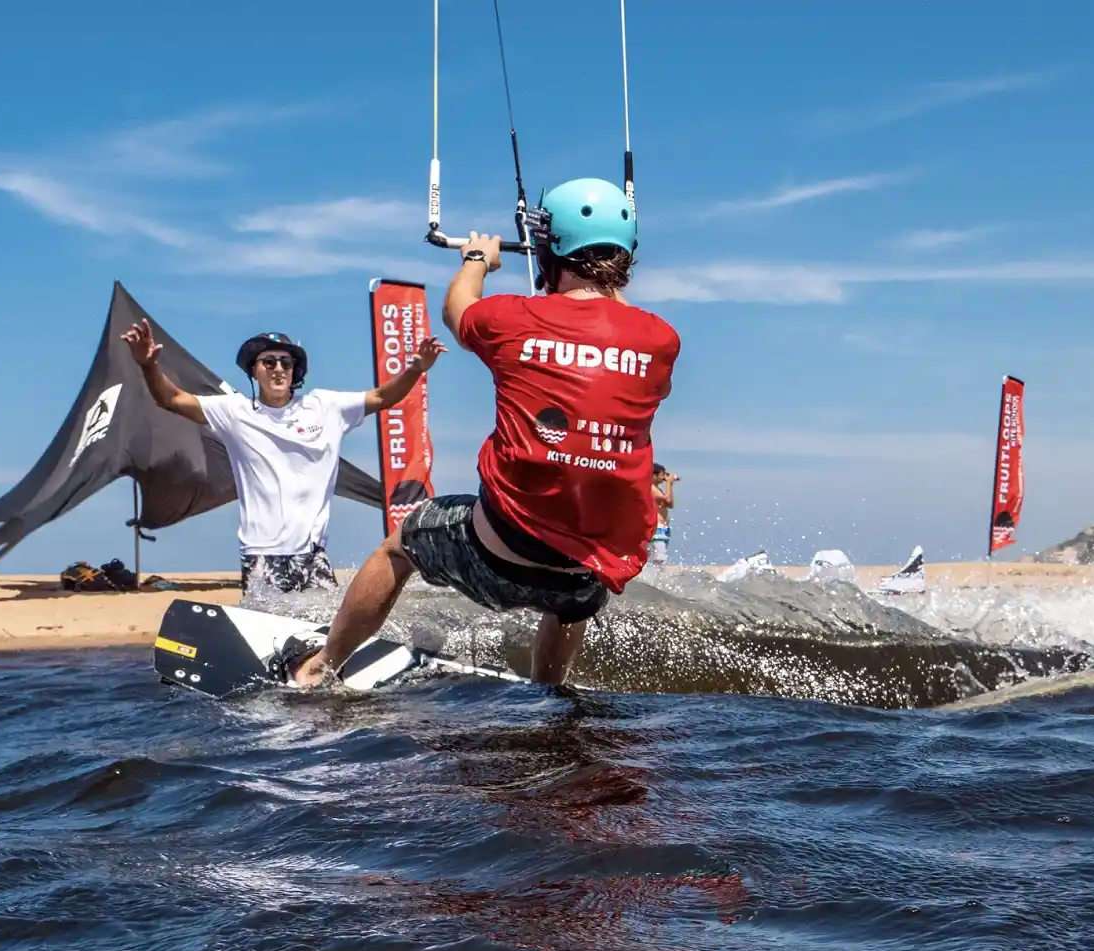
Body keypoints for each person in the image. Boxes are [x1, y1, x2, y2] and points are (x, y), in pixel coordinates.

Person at [286, 176, 680, 688]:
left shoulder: (513, 319)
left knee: (399, 547)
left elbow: (457, 310)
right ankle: (549, 691)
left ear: (547, 246)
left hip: (499, 550)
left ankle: (322, 666)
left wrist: (477, 258)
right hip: (588, 574)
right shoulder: (661, 340)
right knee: (576, 579)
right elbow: (609, 339)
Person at [121, 319, 445, 594]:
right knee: (272, 643)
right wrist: (148, 365)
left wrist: (415, 368)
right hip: (261, 555)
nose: (278, 369)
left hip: (314, 556)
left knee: (328, 646)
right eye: (268, 362)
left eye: (286, 363)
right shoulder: (234, 411)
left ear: (295, 371)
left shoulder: (325, 407)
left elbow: (381, 396)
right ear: (254, 371)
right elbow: (172, 399)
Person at [650, 463, 679, 567]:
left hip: (663, 530)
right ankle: (656, 580)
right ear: (654, 475)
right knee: (660, 559)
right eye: (662, 475)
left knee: (659, 559)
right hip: (657, 530)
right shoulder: (651, 488)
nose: (664, 477)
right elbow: (668, 501)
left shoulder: (658, 489)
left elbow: (670, 505)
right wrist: (669, 484)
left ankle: (655, 577)